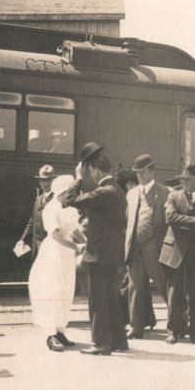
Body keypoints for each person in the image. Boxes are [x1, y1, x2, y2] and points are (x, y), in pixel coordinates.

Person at [60, 142, 128, 355]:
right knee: (111, 299)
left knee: (98, 300)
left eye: (89, 171)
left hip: (99, 254)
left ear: (95, 170)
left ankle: (100, 343)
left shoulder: (103, 192)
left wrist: (78, 178)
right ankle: (118, 341)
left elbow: (69, 199)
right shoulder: (116, 190)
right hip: (112, 253)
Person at [159, 164, 195, 345]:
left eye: (188, 180)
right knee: (175, 293)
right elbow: (170, 218)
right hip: (176, 251)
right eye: (182, 179)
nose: (184, 182)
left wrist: (190, 224)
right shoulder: (173, 196)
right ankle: (173, 331)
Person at [28, 174, 85, 351]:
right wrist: (75, 246)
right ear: (62, 191)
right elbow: (55, 234)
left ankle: (60, 330)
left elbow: (74, 229)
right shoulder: (50, 208)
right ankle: (50, 334)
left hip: (67, 255)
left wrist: (85, 241)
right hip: (53, 253)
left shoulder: (70, 208)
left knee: (65, 291)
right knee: (52, 290)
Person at [124, 154, 170, 339]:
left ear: (152, 171)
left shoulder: (167, 192)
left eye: (143, 172)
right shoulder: (132, 193)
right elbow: (128, 221)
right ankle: (136, 327)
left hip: (156, 249)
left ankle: (180, 321)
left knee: (165, 286)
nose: (140, 176)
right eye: (137, 173)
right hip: (135, 248)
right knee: (135, 288)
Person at [15, 165, 58, 260]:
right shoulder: (38, 199)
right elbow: (32, 221)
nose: (44, 183)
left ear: (53, 181)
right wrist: (23, 239)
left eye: (48, 180)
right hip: (37, 249)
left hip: (51, 249)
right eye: (42, 180)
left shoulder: (57, 199)